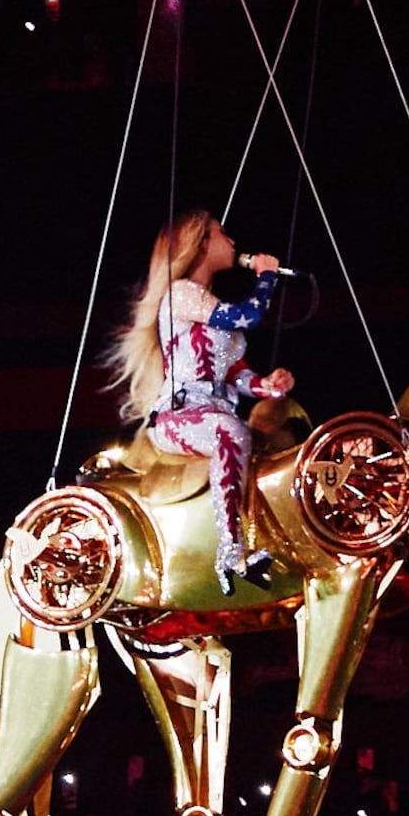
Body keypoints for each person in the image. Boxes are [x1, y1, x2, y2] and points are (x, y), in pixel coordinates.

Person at [111, 208, 298, 586]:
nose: (231, 240)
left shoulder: (207, 306)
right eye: (220, 233)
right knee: (232, 433)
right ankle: (231, 550)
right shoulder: (182, 295)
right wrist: (265, 277)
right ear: (199, 245)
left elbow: (233, 373)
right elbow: (247, 317)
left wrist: (267, 386)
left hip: (214, 406)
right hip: (180, 415)